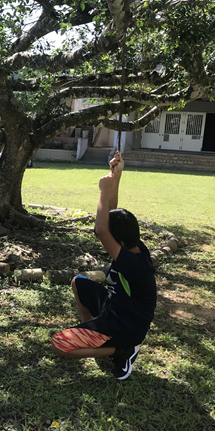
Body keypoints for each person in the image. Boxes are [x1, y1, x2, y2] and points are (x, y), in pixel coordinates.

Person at [51, 151, 157, 380]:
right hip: (114, 308)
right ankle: (93, 332)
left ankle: (122, 350)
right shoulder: (133, 245)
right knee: (79, 282)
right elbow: (110, 217)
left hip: (126, 328)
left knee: (59, 344)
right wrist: (115, 176)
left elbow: (101, 230)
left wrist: (102, 189)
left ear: (117, 242)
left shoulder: (133, 264)